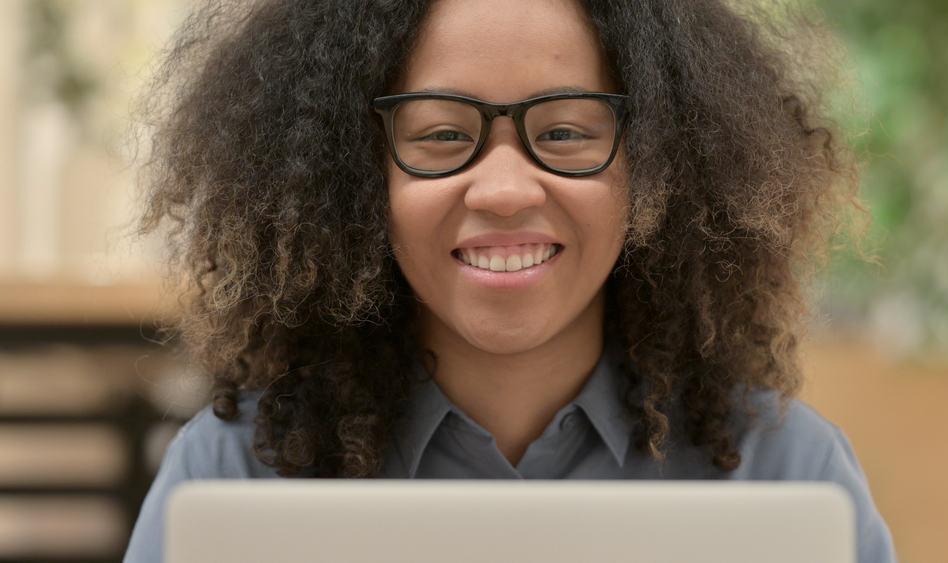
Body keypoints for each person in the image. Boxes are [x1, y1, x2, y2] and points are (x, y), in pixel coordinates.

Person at [125, 0, 897, 561]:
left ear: (661, 167)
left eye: (564, 132)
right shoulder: (229, 478)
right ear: (357, 177)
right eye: (442, 135)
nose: (502, 190)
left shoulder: (791, 474)